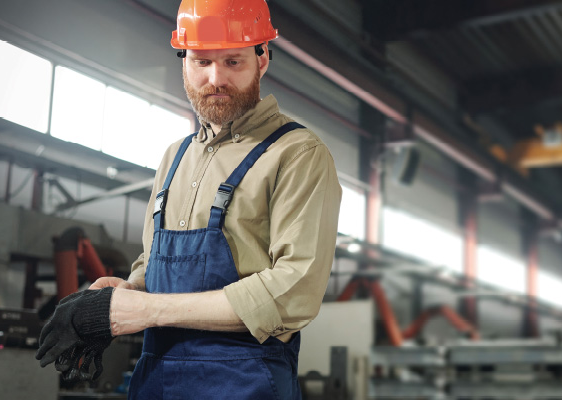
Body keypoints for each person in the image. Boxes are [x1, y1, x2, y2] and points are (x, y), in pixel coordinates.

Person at [36, 0, 342, 398]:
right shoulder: (174, 157)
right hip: (157, 380)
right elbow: (152, 262)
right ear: (183, 61)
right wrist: (127, 293)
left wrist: (146, 311)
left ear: (262, 58)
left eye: (233, 61)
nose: (216, 78)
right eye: (201, 61)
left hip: (244, 385)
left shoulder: (297, 153)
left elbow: (294, 292)